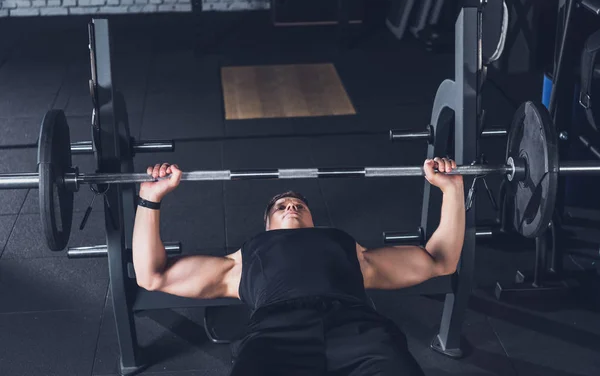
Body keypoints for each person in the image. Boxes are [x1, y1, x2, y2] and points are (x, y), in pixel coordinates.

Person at [132, 157, 465, 376]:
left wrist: (453, 189)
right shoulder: (243, 259)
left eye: (299, 205)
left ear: (313, 219)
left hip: (360, 335)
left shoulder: (347, 248)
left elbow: (441, 261)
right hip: (277, 340)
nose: (291, 205)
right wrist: (150, 198)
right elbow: (151, 275)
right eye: (281, 206)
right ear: (267, 228)